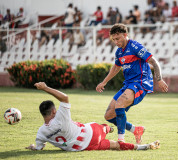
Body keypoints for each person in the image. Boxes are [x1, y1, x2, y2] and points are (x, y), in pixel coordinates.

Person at [25, 82, 160, 151]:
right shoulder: (60, 116)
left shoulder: (41, 133)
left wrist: (32, 146)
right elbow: (65, 97)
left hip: (83, 147)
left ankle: (145, 146)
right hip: (91, 132)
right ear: (54, 111)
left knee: (116, 146)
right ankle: (110, 129)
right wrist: (45, 88)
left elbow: (39, 147)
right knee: (103, 127)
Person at [96, 23, 168, 143]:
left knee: (120, 103)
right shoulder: (119, 52)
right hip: (129, 84)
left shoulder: (135, 46)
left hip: (140, 82)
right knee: (108, 115)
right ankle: (135, 130)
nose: (116, 42)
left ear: (125, 35)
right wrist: (104, 82)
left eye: (118, 38)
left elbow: (154, 62)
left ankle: (121, 141)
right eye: (113, 39)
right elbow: (115, 68)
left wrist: (159, 79)